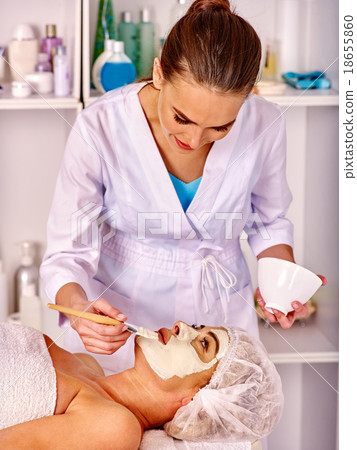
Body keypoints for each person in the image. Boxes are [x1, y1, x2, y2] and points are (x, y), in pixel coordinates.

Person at [40, 0, 325, 374]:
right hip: (123, 326)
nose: (195, 138)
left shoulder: (265, 123)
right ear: (159, 73)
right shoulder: (100, 128)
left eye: (220, 127)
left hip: (221, 319)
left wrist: (281, 286)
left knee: (222, 428)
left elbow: (268, 222)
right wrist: (80, 311)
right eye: (182, 118)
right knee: (118, 430)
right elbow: (67, 250)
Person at [0, 321, 283, 448]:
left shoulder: (114, 427)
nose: (181, 326)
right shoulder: (87, 363)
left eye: (204, 344)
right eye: (198, 327)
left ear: (198, 399)